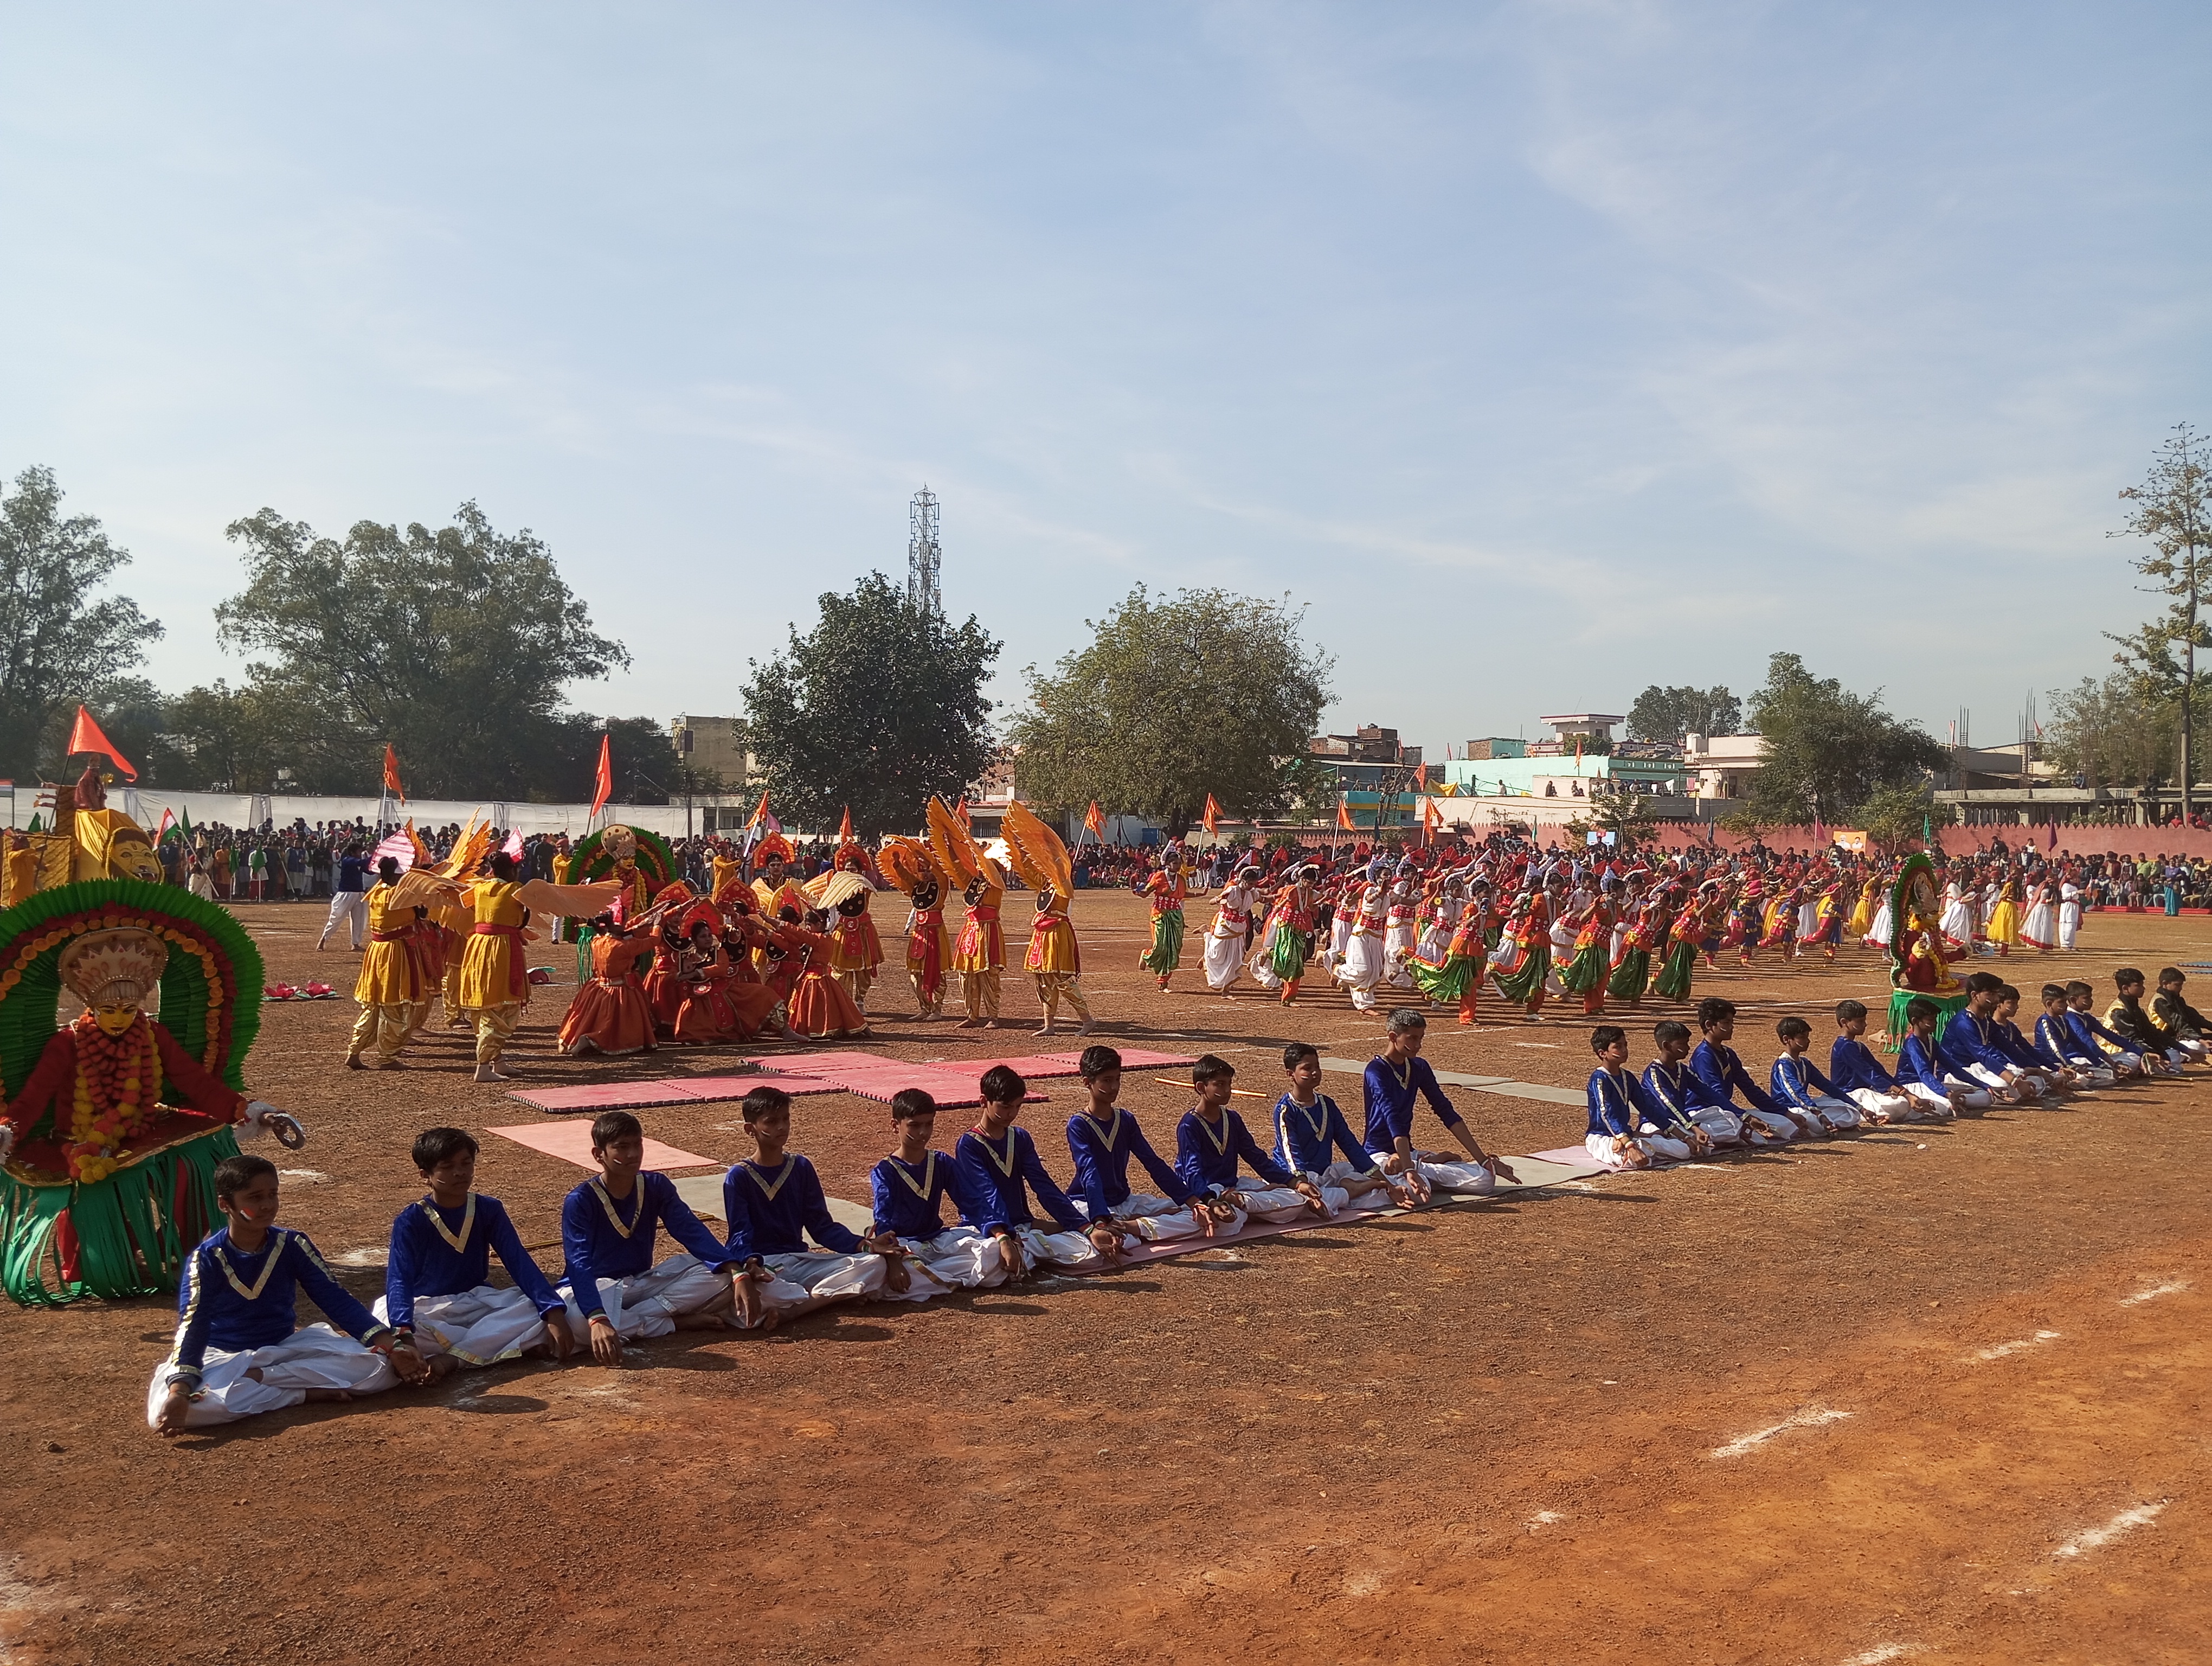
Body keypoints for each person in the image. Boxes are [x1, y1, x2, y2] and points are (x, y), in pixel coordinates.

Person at [151, 1155, 422, 1432]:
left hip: (285, 1348)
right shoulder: (207, 1258)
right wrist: (179, 1392)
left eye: (272, 1194)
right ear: (225, 1204)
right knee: (180, 1408)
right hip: (224, 1356)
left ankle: (261, 1380)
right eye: (255, 1198)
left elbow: (335, 1299)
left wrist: (394, 1347)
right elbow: (193, 1325)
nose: (267, 1205)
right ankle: (300, 1393)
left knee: (380, 1369)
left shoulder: (291, 1244)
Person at [378, 1127, 574, 1374]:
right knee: (385, 1323)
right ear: (425, 1175)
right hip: (426, 1308)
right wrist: (404, 1333)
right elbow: (400, 1279)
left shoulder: (489, 1209)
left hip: (475, 1301)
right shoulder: (411, 1220)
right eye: (447, 1167)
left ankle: (451, 1359)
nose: (459, 1173)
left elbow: (518, 1260)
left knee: (536, 1308)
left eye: (466, 1163)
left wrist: (551, 1310)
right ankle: (502, 1344)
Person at [557, 1111, 745, 1364]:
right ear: (599, 1155)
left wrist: (736, 1270)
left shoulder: (655, 1185)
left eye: (637, 1145)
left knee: (721, 1275)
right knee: (577, 1320)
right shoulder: (580, 1201)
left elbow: (689, 1230)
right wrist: (596, 1315)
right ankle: (671, 1323)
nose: (633, 1155)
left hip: (639, 1285)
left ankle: (627, 1321)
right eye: (622, 1148)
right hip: (596, 1288)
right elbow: (578, 1264)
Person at [723, 1087, 905, 1330]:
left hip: (800, 1259)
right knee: (748, 1298)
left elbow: (821, 1227)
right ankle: (831, 1296)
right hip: (765, 1268)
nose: (782, 1127)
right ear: (750, 1129)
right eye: (772, 1121)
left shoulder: (800, 1167)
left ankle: (799, 1308)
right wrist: (750, 1265)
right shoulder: (739, 1176)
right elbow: (739, 1233)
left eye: (786, 1119)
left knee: (874, 1264)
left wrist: (866, 1246)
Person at [955, 1065, 1122, 1275]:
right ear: (983, 1102)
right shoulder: (969, 1144)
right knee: (991, 1257)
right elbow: (988, 1193)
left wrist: (1086, 1229)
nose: (1011, 1114)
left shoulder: (1020, 1137)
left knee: (1091, 1247)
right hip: (988, 1229)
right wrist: (1005, 1235)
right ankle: (1021, 1252)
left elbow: (1044, 1187)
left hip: (1025, 1226)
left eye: (1017, 1107)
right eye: (1005, 1106)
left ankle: (1026, 1253)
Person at [1064, 1046, 1219, 1242]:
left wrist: (1195, 1202)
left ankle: (1130, 1226)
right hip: (1088, 1204)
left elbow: (1152, 1163)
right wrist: (1100, 1218)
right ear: (1088, 1083)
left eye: (1117, 1079)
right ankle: (1123, 1228)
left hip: (1126, 1202)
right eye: (1107, 1081)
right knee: (1122, 1242)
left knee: (1199, 1216)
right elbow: (1089, 1172)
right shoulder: (1079, 1124)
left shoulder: (1125, 1119)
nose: (1114, 1087)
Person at [869, 1090, 1012, 1298]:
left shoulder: (941, 1162)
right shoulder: (885, 1171)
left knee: (992, 1250)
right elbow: (883, 1220)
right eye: (914, 1125)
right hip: (905, 1246)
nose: (923, 1133)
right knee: (880, 1267)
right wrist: (892, 1259)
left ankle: (931, 1281)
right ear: (895, 1126)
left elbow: (972, 1202)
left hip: (937, 1241)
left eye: (929, 1124)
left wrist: (1002, 1237)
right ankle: (940, 1279)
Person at [1361, 1009, 1520, 1192]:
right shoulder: (1376, 1071)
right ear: (1393, 1037)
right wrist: (1409, 1168)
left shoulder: (1419, 1066)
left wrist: (1484, 1161)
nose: (1418, 1045)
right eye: (1412, 1038)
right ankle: (1420, 1164)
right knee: (1417, 1192)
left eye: (1421, 1038)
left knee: (1484, 1180)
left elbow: (1445, 1110)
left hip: (1407, 1153)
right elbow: (1392, 1118)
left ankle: (1420, 1164)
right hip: (1378, 1155)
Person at [1176, 1054, 1332, 1225]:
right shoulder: (1189, 1125)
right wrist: (1209, 1200)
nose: (1227, 1090)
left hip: (1233, 1187)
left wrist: (1293, 1182)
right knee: (1231, 1225)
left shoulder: (1232, 1118)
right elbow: (1192, 1172)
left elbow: (1256, 1157)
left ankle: (1241, 1204)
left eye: (1229, 1084)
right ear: (1201, 1087)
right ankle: (1241, 1207)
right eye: (1220, 1085)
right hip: (1206, 1189)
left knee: (1295, 1196)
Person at [1272, 1042, 1424, 1206]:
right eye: (1307, 1069)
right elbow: (1291, 1153)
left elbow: (1350, 1145)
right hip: (1296, 1177)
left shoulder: (1327, 1105)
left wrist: (1386, 1183)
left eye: (1317, 1066)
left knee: (1354, 1176)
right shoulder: (1286, 1110)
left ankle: (1355, 1190)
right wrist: (1302, 1183)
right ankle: (1345, 1193)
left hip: (1325, 1174)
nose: (1315, 1072)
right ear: (1291, 1074)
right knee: (1298, 1203)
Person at [457, 851, 533, 1084]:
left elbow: (466, 903)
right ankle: (483, 1066)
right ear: (510, 871)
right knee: (503, 1005)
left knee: (486, 1004)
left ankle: (497, 1060)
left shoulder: (479, 887)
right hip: (502, 949)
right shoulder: (515, 889)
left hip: (479, 946)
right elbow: (521, 920)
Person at [345, 855, 426, 1071]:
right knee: (394, 1005)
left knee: (372, 1006)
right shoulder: (400, 895)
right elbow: (422, 915)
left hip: (376, 951)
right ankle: (388, 1056)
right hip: (395, 952)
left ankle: (355, 1050)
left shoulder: (376, 893)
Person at [1583, 1026, 1695, 1170]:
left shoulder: (1627, 1077)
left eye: (1625, 1045)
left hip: (1625, 1136)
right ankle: (1638, 1146)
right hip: (1601, 1137)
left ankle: (1645, 1143)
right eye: (1618, 1047)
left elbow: (1648, 1109)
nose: (1624, 1050)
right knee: (1636, 1158)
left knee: (1684, 1150)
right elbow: (1607, 1114)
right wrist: (1626, 1142)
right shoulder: (1599, 1079)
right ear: (1603, 1053)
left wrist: (1684, 1136)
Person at [1688, 997, 1796, 1144]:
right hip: (1702, 1112)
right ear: (1709, 1025)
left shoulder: (1728, 1054)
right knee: (1734, 1127)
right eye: (1726, 1023)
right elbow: (1716, 1095)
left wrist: (1785, 1112)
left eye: (1732, 1022)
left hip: (1724, 1111)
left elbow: (1749, 1089)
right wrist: (1745, 1118)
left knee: (1785, 1123)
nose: (1732, 1027)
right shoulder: (1703, 1056)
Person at [559, 909, 661, 1056]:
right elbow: (654, 941)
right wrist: (657, 926)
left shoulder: (597, 941)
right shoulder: (625, 947)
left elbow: (628, 933)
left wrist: (645, 921)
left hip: (599, 987)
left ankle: (572, 1040)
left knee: (591, 1019)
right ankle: (590, 1039)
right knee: (611, 1026)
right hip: (620, 990)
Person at [1943, 972, 2049, 1101]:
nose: (1996, 1000)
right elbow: (1984, 1055)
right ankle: (1959, 1096)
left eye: (1996, 994)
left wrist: (2047, 1071)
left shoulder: (1987, 1021)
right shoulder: (1964, 1023)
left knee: (2036, 1081)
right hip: (1958, 1072)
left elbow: (2010, 1049)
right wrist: (2015, 1081)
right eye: (1991, 994)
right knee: (2005, 1085)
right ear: (1975, 996)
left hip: (1980, 1069)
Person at [1640, 1018, 1744, 1148]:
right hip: (1658, 1124)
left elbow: (1708, 1093)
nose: (1688, 1047)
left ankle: (1699, 1141)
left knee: (1732, 1120)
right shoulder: (1654, 1073)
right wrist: (1694, 1128)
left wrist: (1744, 1116)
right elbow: (1670, 1105)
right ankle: (1657, 1140)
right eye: (1682, 1044)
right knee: (1684, 1149)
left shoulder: (1682, 1070)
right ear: (1666, 1046)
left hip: (1681, 1121)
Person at [1895, 997, 1994, 1116]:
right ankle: (1951, 1102)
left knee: (1986, 1095)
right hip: (1911, 1086)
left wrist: (1985, 1086)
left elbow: (1953, 1067)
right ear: (1915, 1021)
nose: (1935, 1023)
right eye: (1931, 1020)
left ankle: (1958, 1101)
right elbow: (1924, 1073)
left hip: (1929, 1085)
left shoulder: (1931, 1040)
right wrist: (1947, 1094)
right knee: (1946, 1106)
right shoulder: (1912, 1043)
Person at [1827, 1000, 1919, 1123]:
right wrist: (1903, 1094)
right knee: (1901, 1103)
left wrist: (1903, 1091)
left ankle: (1879, 1114)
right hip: (1851, 1094)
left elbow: (1878, 1070)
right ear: (1845, 1022)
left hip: (1866, 1091)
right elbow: (1868, 1073)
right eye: (1860, 1021)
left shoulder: (1858, 1046)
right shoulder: (1844, 1047)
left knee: (1902, 1102)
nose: (1865, 1025)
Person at [1768, 1016, 1860, 1134]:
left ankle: (1825, 1124)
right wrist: (1818, 1114)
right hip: (1788, 1110)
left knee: (1847, 1109)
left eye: (1807, 1037)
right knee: (1808, 1118)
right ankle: (1826, 1125)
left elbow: (1827, 1086)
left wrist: (1858, 1107)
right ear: (1787, 1039)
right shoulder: (1783, 1065)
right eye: (1802, 1038)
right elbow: (1796, 1093)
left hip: (1804, 1107)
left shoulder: (1805, 1063)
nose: (1808, 1041)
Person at [2106, 967, 2192, 1072]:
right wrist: (2152, 1054)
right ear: (2125, 989)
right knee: (2135, 1060)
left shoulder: (2135, 1008)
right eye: (2138, 985)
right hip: (2118, 1052)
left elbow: (2153, 1033)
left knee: (2174, 1054)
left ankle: (2149, 1066)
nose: (2143, 988)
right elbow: (2132, 1041)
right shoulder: (2118, 1011)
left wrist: (2185, 1050)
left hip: (2136, 1049)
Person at [2065, 978, 2157, 1076]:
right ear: (2073, 1000)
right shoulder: (2070, 1018)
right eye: (2086, 998)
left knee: (2134, 1057)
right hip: (2077, 1059)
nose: (2091, 1001)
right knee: (2106, 1073)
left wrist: (2143, 1053)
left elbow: (2111, 1036)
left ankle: (2108, 1071)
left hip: (2091, 1058)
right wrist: (2113, 1064)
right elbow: (2088, 1042)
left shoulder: (2087, 1018)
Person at [1203, 867, 1262, 994]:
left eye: (1254, 884)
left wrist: (1280, 896)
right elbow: (1214, 901)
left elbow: (1264, 897)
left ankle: (1226, 989)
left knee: (1235, 958)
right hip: (1225, 926)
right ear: (1243, 881)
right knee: (1217, 954)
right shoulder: (1232, 891)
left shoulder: (1251, 893)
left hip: (1239, 928)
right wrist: (1220, 900)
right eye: (1251, 883)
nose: (1252, 886)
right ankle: (1207, 936)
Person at [1138, 851, 1189, 990]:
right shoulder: (1159, 876)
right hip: (1159, 915)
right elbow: (1146, 892)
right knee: (1161, 945)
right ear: (1167, 863)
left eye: (1179, 864)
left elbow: (1183, 894)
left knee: (1174, 948)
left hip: (1175, 916)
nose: (1178, 866)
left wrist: (1201, 894)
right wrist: (1137, 891)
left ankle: (1163, 981)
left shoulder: (1181, 879)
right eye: (1175, 863)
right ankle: (1147, 954)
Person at [317, 842, 371, 951]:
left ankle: (355, 943)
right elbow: (363, 862)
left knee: (359, 920)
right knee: (336, 917)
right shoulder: (348, 860)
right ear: (352, 853)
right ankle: (323, 940)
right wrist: (377, 854)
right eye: (359, 852)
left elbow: (369, 871)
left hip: (359, 893)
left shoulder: (357, 863)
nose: (360, 854)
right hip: (346, 894)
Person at [2152, 967, 2211, 1062]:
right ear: (2165, 984)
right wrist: (2200, 1040)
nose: (2181, 988)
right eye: (2177, 985)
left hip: (2184, 1039)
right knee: (2197, 1046)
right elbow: (2179, 1025)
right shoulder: (2160, 1002)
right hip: (2168, 1041)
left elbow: (2197, 1019)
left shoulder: (2177, 1000)